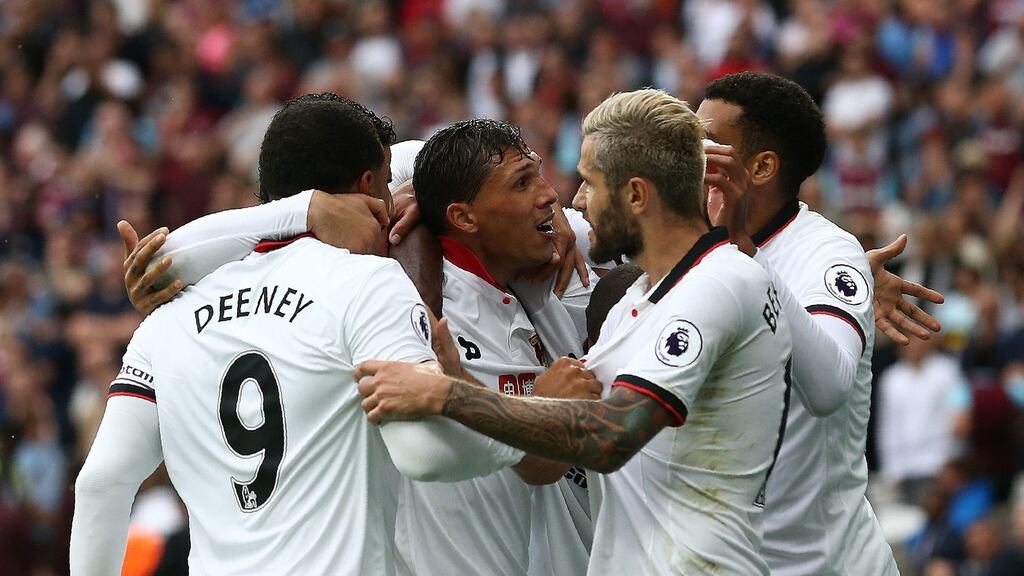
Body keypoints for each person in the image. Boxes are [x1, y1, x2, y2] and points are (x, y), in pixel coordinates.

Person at [69, 93, 537, 575]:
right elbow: (422, 456)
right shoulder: (369, 285)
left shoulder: (165, 319)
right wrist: (530, 424)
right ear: (371, 184)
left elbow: (101, 484)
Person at [357, 88, 794, 575]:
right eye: (531, 182)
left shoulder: (715, 285)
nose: (569, 202)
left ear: (634, 196)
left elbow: (607, 438)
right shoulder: (632, 301)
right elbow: (542, 464)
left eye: (588, 183)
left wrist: (445, 393)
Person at [693, 71, 911, 574]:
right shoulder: (695, 247)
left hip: (825, 563)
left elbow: (830, 384)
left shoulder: (827, 254)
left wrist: (749, 259)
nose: (692, 155)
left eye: (708, 142)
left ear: (762, 166)